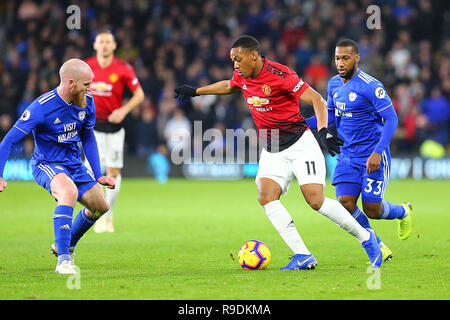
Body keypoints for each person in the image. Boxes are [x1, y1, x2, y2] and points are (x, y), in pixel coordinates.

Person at [175, 35, 383, 269]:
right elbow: (229, 85)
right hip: (272, 148)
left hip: (300, 144)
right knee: (265, 196)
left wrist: (324, 131)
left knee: (316, 202)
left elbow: (317, 99)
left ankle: (368, 240)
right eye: (233, 61)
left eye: (238, 59)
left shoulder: (280, 75)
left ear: (254, 55)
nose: (235, 65)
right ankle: (303, 255)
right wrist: (196, 92)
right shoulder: (242, 76)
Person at [0, 59, 115, 274]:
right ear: (70, 83)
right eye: (86, 85)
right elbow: (7, 141)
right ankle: (63, 261)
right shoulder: (41, 108)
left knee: (101, 207)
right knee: (68, 191)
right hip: (47, 163)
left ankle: (65, 242)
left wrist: (98, 175)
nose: (89, 89)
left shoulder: (87, 102)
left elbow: (88, 138)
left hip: (74, 164)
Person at [306, 39, 413, 262]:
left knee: (372, 209)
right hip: (347, 155)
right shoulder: (334, 84)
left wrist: (377, 152)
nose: (340, 62)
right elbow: (331, 117)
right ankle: (376, 243)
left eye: (345, 58)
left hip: (372, 154)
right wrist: (302, 123)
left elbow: (391, 119)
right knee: (345, 202)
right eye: (337, 58)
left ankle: (403, 211)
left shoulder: (371, 86)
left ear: (357, 58)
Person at [85, 29, 145, 233]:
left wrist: (123, 110)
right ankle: (93, 211)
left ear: (114, 46)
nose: (104, 45)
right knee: (91, 173)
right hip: (90, 129)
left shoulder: (122, 68)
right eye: (100, 41)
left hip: (114, 129)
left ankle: (107, 214)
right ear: (95, 45)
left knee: (113, 172)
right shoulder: (87, 67)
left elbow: (139, 95)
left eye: (108, 41)